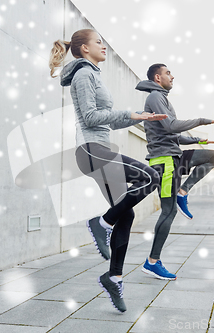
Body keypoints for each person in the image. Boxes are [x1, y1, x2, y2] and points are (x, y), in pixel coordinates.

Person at [49, 29, 167, 312]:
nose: (104, 47)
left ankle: (113, 277)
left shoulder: (93, 74)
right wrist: (130, 113)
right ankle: (101, 223)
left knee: (126, 214)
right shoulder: (83, 74)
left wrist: (138, 117)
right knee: (151, 176)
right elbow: (90, 117)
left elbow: (108, 122)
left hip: (101, 148)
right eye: (98, 42)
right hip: (91, 150)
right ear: (84, 48)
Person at [135, 63, 214, 280]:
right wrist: (202, 120)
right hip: (164, 162)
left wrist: (198, 139)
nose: (172, 76)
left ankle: (183, 193)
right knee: (168, 211)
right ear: (157, 77)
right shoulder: (155, 96)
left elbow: (173, 135)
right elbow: (172, 126)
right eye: (168, 73)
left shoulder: (162, 98)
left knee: (211, 156)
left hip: (173, 157)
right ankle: (152, 262)